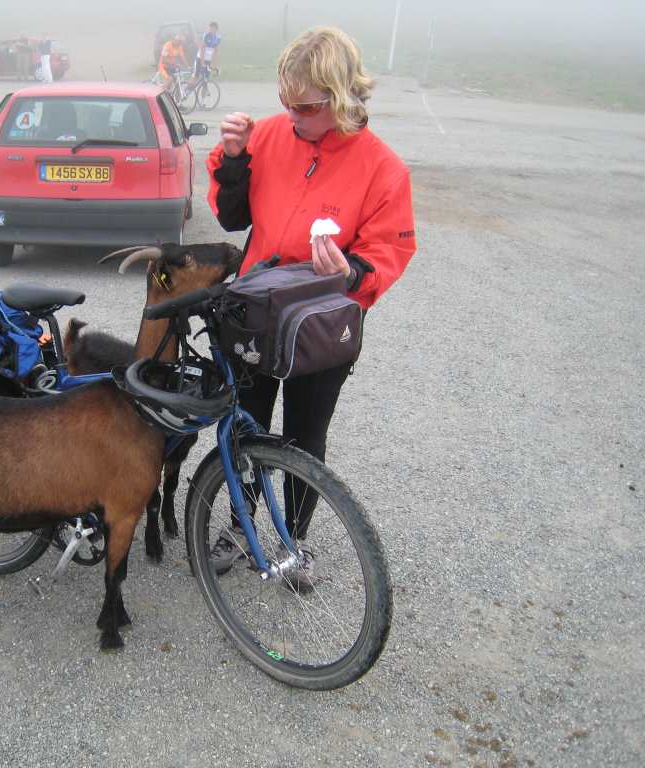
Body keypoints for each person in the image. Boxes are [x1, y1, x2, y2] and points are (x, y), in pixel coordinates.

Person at [205, 26, 416, 586]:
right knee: (245, 423)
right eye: (285, 100)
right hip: (254, 309)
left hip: (321, 324)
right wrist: (231, 160)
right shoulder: (270, 136)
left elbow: (389, 249)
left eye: (305, 104)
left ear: (342, 98)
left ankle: (296, 542)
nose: (292, 113)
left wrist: (350, 271)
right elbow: (231, 218)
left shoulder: (383, 168)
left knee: (305, 434)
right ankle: (238, 524)